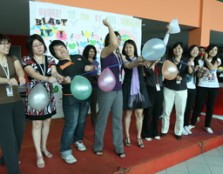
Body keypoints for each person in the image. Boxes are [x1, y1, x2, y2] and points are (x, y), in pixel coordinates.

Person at [49, 40, 95, 164]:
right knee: (71, 123)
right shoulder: (59, 66)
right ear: (56, 55)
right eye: (57, 50)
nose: (60, 50)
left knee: (82, 120)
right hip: (70, 97)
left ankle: (79, 140)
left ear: (65, 47)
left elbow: (92, 68)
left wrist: (90, 67)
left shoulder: (79, 57)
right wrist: (65, 80)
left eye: (61, 47)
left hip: (85, 94)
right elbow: (60, 80)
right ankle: (65, 151)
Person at [22, 34, 63, 168]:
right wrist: (47, 78)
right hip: (34, 94)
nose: (39, 47)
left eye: (40, 44)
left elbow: (54, 72)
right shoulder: (27, 59)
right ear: (31, 48)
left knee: (47, 121)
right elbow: (32, 74)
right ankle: (39, 154)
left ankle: (44, 147)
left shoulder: (50, 59)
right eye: (35, 45)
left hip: (48, 93)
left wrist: (58, 76)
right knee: (37, 124)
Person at [93, 19, 125, 158]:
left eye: (120, 39)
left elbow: (127, 67)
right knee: (102, 119)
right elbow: (113, 43)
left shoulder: (119, 55)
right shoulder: (105, 52)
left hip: (119, 90)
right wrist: (110, 26)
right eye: (116, 38)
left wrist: (138, 61)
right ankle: (98, 146)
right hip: (107, 90)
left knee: (118, 120)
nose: (118, 41)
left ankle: (119, 148)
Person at [0, 33, 26, 174]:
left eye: (8, 43)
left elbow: (19, 69)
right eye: (3, 43)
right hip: (1, 104)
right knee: (8, 138)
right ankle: (13, 170)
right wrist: (6, 80)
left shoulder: (12, 58)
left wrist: (21, 76)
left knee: (19, 134)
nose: (7, 45)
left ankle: (6, 158)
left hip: (16, 101)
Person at [161, 42, 193, 140]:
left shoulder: (186, 61)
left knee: (180, 112)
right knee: (166, 111)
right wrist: (173, 76)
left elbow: (190, 72)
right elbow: (165, 73)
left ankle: (178, 131)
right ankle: (164, 130)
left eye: (179, 48)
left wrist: (189, 65)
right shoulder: (168, 61)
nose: (177, 50)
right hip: (169, 88)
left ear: (182, 50)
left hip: (182, 90)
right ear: (173, 50)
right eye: (175, 48)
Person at [122, 39, 149, 148]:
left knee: (139, 114)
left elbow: (149, 65)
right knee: (128, 113)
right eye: (126, 47)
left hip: (140, 89)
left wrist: (147, 61)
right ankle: (127, 136)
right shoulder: (123, 58)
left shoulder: (141, 58)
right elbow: (129, 65)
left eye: (130, 47)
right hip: (128, 88)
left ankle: (138, 137)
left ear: (134, 48)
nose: (128, 49)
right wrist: (138, 61)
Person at [189, 44, 221, 133]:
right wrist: (202, 71)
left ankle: (207, 125)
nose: (214, 52)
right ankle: (192, 123)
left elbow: (212, 67)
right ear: (208, 50)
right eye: (212, 50)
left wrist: (206, 59)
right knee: (198, 105)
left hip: (214, 87)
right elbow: (199, 75)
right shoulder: (199, 61)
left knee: (210, 107)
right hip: (202, 85)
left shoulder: (217, 60)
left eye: (216, 50)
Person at [141, 59, 163, 141]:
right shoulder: (146, 63)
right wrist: (153, 63)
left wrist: (158, 63)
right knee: (148, 112)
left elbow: (165, 73)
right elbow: (150, 73)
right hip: (150, 88)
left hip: (160, 89)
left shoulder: (161, 64)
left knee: (157, 112)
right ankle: (146, 132)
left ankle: (155, 132)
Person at [182, 45, 200, 135]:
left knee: (189, 108)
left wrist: (200, 71)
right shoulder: (185, 61)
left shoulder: (197, 62)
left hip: (193, 88)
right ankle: (180, 126)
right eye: (194, 50)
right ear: (190, 51)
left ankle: (185, 125)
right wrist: (194, 70)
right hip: (185, 87)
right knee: (183, 108)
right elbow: (186, 74)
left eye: (197, 50)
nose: (195, 51)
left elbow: (197, 76)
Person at [82, 45, 99, 127]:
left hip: (95, 86)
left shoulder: (96, 62)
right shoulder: (83, 61)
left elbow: (95, 73)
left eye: (93, 51)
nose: (92, 53)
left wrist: (98, 76)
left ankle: (95, 124)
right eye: (90, 51)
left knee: (93, 106)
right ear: (87, 51)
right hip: (85, 86)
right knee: (85, 106)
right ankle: (81, 124)